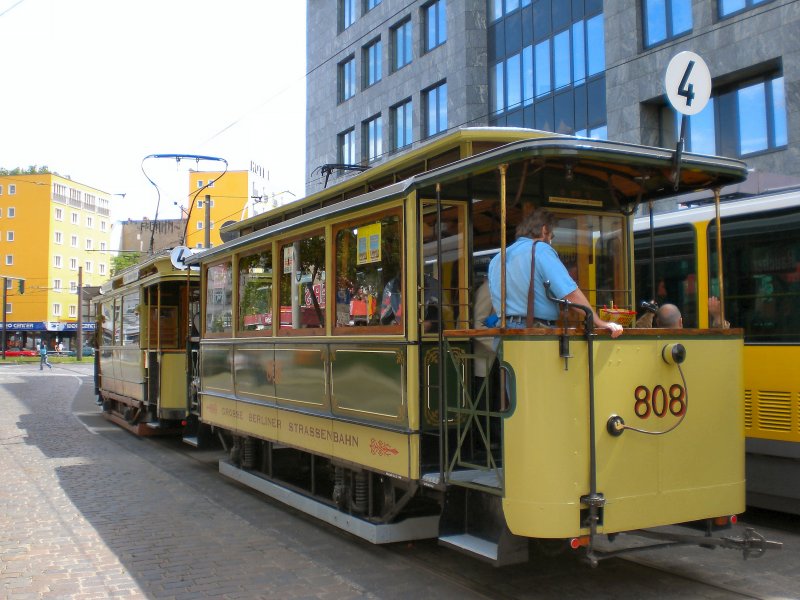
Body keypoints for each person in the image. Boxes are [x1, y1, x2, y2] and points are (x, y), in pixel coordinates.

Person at [488, 208, 623, 337]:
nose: (551, 240)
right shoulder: (541, 250)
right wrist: (599, 322)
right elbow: (569, 293)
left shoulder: (498, 258)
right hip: (533, 331)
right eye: (552, 235)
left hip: (503, 330)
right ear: (544, 229)